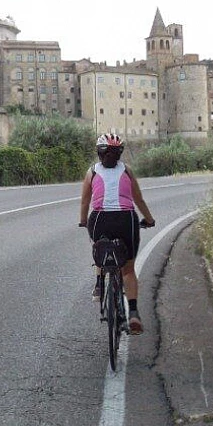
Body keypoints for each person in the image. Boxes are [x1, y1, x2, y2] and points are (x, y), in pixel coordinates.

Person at [78, 133, 155, 334]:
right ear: (119, 154)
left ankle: (99, 284)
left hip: (100, 220)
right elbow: (138, 200)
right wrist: (149, 219)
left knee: (100, 248)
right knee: (128, 270)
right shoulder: (127, 171)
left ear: (99, 153)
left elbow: (85, 202)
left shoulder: (92, 172)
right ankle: (134, 313)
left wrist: (84, 221)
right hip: (125, 220)